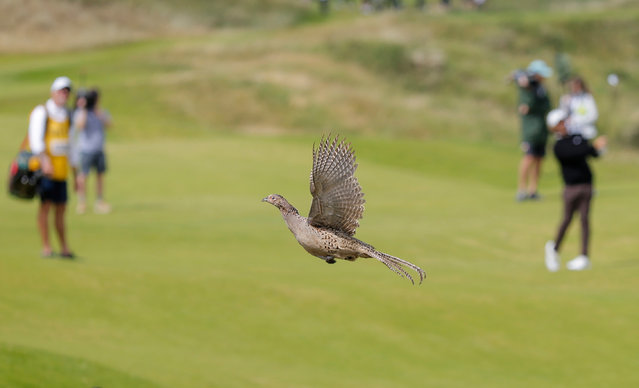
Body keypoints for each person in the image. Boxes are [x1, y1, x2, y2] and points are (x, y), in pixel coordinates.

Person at [544, 109, 607, 272]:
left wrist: (600, 147)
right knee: (567, 220)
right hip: (571, 187)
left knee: (585, 220)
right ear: (554, 127)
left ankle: (584, 256)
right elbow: (574, 154)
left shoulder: (577, 138)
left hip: (587, 185)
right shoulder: (558, 146)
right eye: (561, 123)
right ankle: (554, 249)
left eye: (565, 121)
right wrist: (591, 145)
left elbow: (593, 154)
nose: (564, 124)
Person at [28, 76, 75, 258]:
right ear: (53, 92)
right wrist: (45, 162)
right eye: (61, 91)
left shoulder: (68, 115)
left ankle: (64, 247)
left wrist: (76, 172)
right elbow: (36, 141)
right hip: (45, 171)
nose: (64, 94)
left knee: (61, 209)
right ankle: (46, 246)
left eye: (67, 91)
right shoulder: (43, 112)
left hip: (61, 171)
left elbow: (71, 146)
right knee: (45, 207)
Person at [513, 59, 553, 201]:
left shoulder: (541, 88)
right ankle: (522, 189)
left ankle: (533, 190)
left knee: (539, 159)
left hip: (542, 130)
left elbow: (547, 105)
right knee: (529, 158)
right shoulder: (526, 87)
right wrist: (525, 83)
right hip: (530, 130)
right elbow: (526, 107)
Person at [73, 88, 112, 214]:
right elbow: (80, 126)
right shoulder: (82, 112)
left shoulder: (100, 112)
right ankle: (82, 202)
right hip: (86, 149)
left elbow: (109, 124)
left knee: (100, 175)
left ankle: (99, 201)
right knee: (83, 176)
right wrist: (84, 108)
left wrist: (98, 112)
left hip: (99, 149)